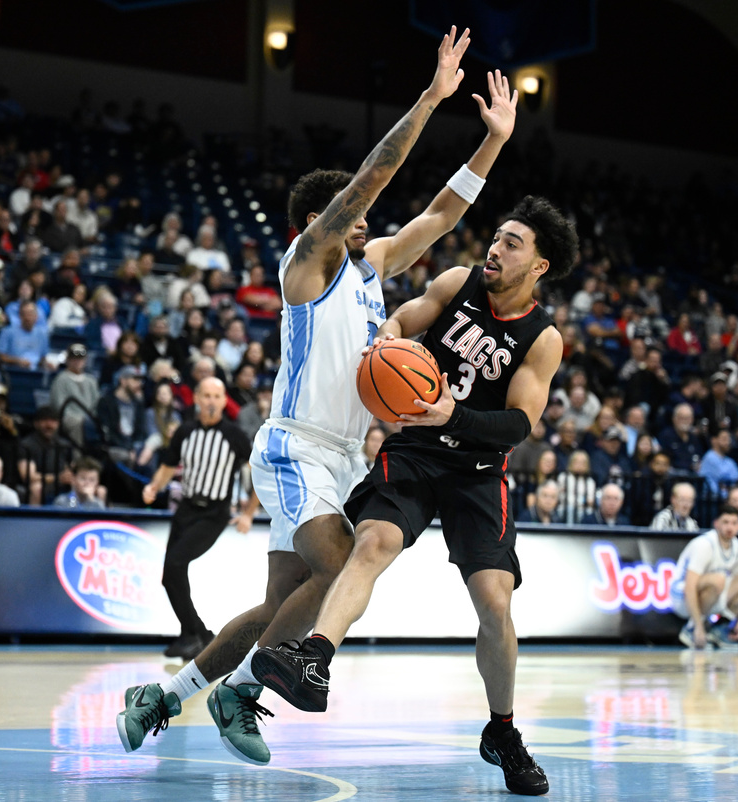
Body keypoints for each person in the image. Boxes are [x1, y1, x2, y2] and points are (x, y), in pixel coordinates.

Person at [115, 28, 520, 770]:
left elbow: (441, 218)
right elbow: (375, 174)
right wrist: (432, 97)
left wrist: (492, 142)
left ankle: (165, 696)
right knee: (341, 571)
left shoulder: (371, 267)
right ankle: (240, 694)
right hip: (296, 445)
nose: (369, 221)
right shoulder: (306, 264)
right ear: (320, 221)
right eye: (353, 214)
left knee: (281, 608)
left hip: (337, 460)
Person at [251, 189, 578, 798]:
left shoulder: (543, 336)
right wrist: (389, 339)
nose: (496, 249)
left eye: (513, 243)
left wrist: (453, 414)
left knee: (495, 604)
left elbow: (518, 425)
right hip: (415, 452)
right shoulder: (457, 283)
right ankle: (313, 657)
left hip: (478, 470)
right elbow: (404, 318)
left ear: (538, 266)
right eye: (498, 236)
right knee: (371, 542)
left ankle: (502, 731)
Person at [131, 378, 257, 661]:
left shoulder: (235, 436)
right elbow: (167, 467)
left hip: (214, 513)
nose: (211, 401)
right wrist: (153, 486)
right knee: (169, 576)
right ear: (196, 399)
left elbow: (259, 474)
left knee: (176, 563)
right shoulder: (184, 432)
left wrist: (248, 513)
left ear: (225, 401)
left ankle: (195, 635)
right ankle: (196, 635)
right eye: (206, 395)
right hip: (186, 508)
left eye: (217, 396)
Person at [670, 504, 738, 650]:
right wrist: (698, 626)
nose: (729, 527)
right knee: (718, 580)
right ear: (716, 524)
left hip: (712, 593)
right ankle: (693, 627)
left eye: (734, 523)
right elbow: (689, 585)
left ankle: (719, 629)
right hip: (681, 596)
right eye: (725, 522)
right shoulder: (705, 544)